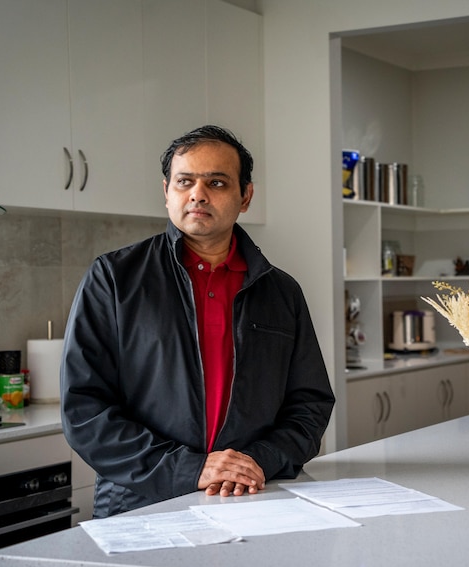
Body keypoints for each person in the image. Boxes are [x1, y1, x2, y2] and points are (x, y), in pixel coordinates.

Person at [61, 125, 335, 518]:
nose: (198, 194)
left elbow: (310, 404)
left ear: (246, 196)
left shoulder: (281, 292)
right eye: (184, 181)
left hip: (253, 498)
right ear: (167, 191)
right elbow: (84, 409)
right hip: (141, 504)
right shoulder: (114, 278)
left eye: (217, 182)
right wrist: (190, 468)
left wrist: (258, 461)